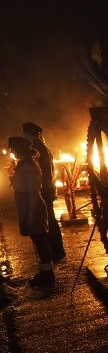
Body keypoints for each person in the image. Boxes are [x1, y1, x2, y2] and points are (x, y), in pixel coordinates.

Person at [7, 136, 55, 287]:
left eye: (13, 149)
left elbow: (33, 193)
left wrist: (30, 215)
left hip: (32, 205)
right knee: (37, 240)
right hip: (26, 204)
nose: (12, 151)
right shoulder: (23, 165)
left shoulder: (30, 166)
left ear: (20, 150)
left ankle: (48, 274)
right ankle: (44, 271)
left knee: (40, 240)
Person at [22, 122, 66, 263]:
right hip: (47, 188)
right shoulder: (42, 147)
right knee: (50, 221)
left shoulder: (36, 148)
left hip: (43, 189)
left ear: (30, 134)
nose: (23, 136)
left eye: (25, 133)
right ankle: (57, 251)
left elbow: (41, 172)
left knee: (48, 222)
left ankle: (56, 252)